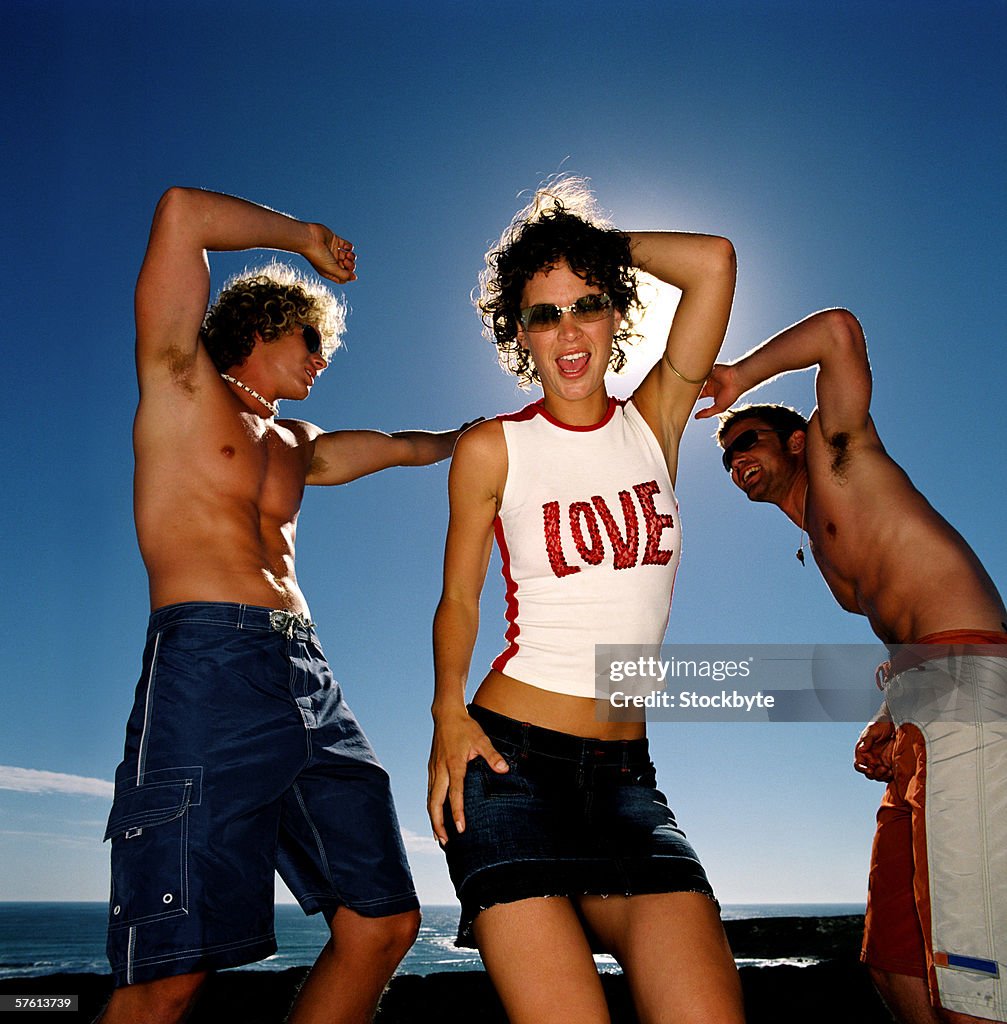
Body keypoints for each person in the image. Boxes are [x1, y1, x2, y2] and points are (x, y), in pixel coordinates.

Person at [99, 186, 467, 1024]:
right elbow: (181, 213)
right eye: (313, 340)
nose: (323, 360)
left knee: (383, 921)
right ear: (263, 327)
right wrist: (303, 237)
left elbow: (412, 447)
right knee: (170, 975)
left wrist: (494, 435)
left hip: (307, 677)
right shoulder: (179, 380)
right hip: (206, 666)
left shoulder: (299, 445)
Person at [426, 178, 744, 1024]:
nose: (568, 332)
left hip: (626, 783)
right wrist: (445, 715)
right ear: (519, 335)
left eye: (587, 304)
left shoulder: (655, 423)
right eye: (542, 313)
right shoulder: (493, 449)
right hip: (508, 767)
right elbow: (458, 598)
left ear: (614, 314)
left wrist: (589, 241)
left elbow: (713, 264)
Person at [699, 308, 1007, 1024]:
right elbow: (906, 617)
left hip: (967, 688)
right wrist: (888, 711)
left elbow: (836, 331)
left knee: (969, 973)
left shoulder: (842, 459)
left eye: (747, 440)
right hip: (921, 704)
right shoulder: (815, 532)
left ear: (798, 440)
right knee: (893, 961)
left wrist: (736, 378)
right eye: (724, 457)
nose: (735, 458)